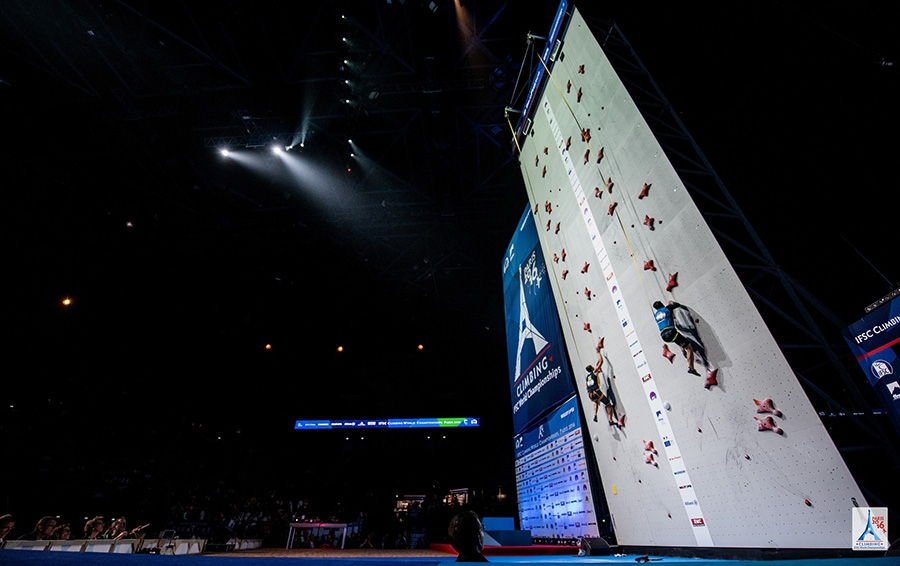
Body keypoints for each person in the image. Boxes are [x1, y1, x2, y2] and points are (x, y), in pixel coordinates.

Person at [653, 300, 708, 375]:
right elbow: (677, 305)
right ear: (662, 304)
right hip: (671, 332)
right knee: (689, 347)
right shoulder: (667, 308)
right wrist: (671, 303)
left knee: (677, 339)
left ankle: (682, 350)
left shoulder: (656, 316)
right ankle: (691, 368)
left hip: (663, 335)